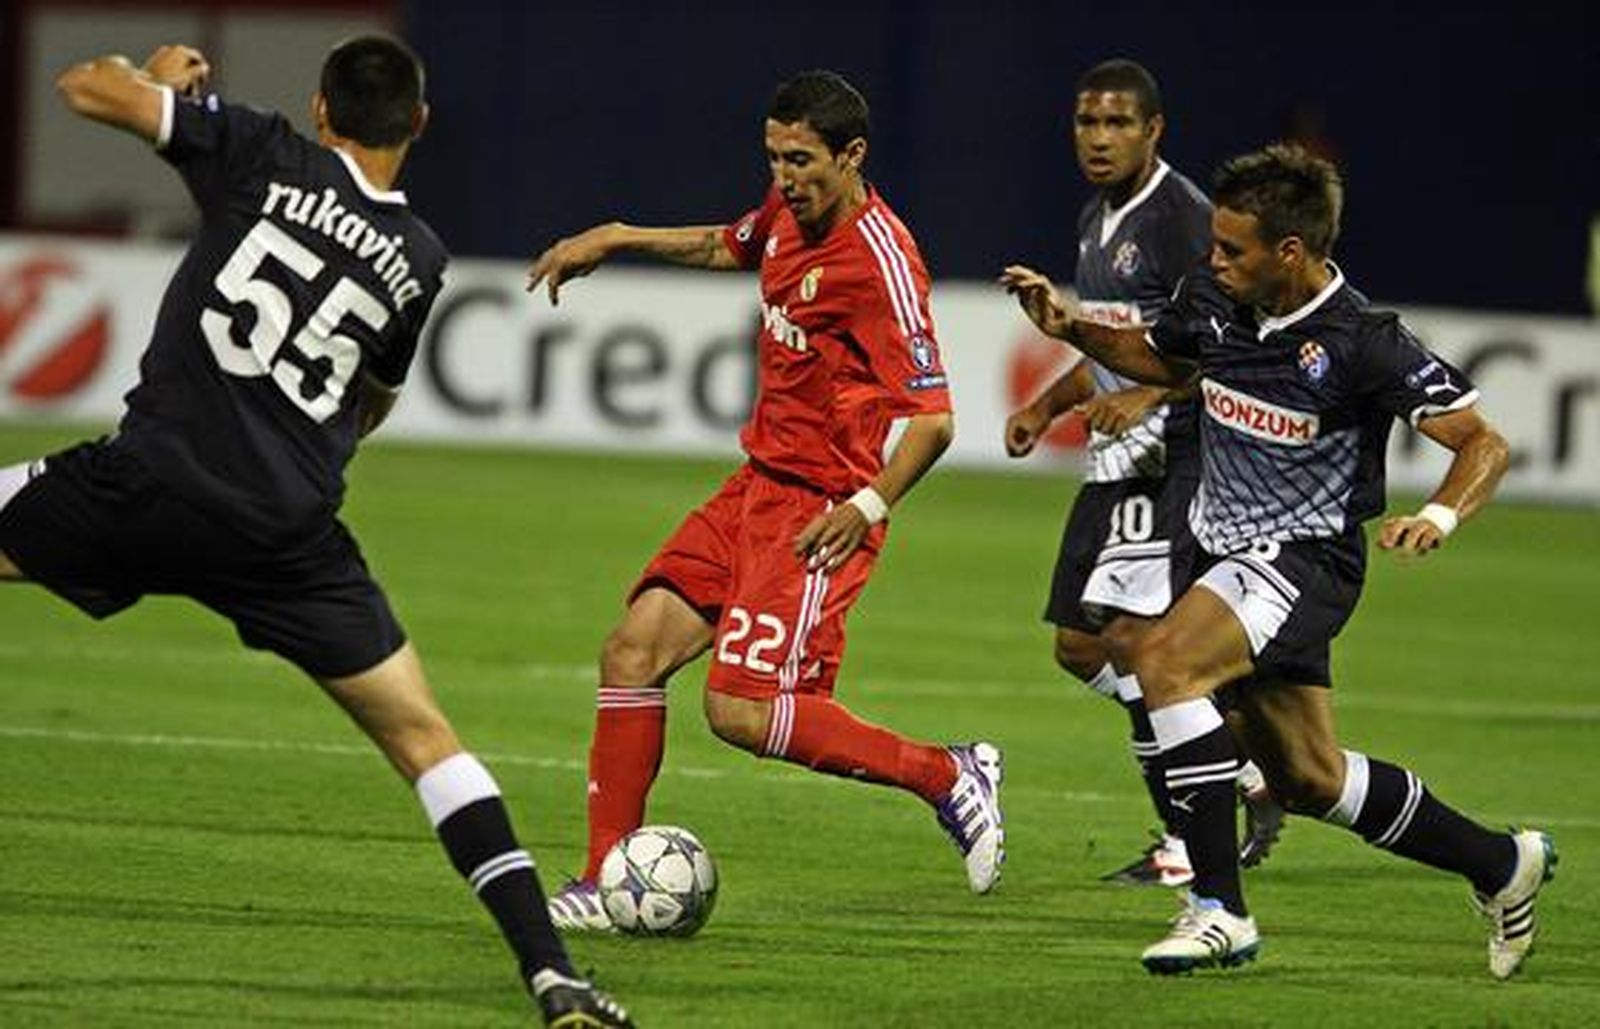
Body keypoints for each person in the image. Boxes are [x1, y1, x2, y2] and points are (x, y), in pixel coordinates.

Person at [1, 38, 631, 1027]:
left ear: (320, 110)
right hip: (283, 535)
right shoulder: (420, 257)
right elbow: (368, 404)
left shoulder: (263, 154)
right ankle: (553, 976)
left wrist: (164, 88)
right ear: (417, 125)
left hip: (149, 483)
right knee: (429, 743)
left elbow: (82, 87)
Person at [1000, 144, 1554, 977]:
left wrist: (1439, 513)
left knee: (1158, 657)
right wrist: (1071, 325)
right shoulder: (1216, 300)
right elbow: (1165, 357)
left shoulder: (1364, 342)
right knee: (1308, 776)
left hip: (1306, 560)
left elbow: (1482, 440)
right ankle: (1501, 863)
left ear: (1289, 253)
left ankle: (1218, 908)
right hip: (1223, 556)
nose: (1213, 260)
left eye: (1232, 249)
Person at [527, 70, 1004, 930]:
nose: (785, 176)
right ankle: (603, 878)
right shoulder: (790, 209)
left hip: (820, 510)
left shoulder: (881, 262)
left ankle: (947, 773)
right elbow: (732, 244)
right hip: (754, 486)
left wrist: (866, 505)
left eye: (802, 161)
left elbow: (933, 421)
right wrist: (618, 235)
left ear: (852, 156)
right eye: (775, 157)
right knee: (631, 650)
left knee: (739, 710)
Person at [1003, 59, 1280, 887]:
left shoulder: (1179, 218)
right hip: (1119, 457)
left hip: (1182, 454)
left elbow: (1225, 346)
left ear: (1154, 129)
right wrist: (1049, 405)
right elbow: (1121, 344)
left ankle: (1188, 842)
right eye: (1087, 123)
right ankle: (1231, 763)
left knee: (1133, 636)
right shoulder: (1098, 217)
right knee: (1080, 644)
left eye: (1117, 123)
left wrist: (1155, 402)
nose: (1098, 138)